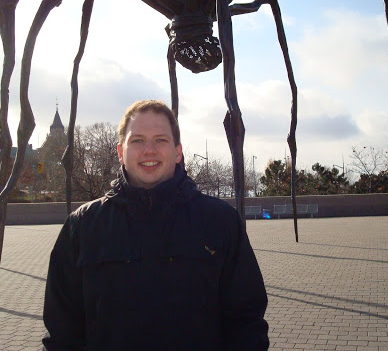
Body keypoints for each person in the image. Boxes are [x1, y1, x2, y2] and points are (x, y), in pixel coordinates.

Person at [42, 100, 269, 350]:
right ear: (120, 152)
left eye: (160, 140)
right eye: (137, 140)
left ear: (178, 151)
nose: (149, 150)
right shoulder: (83, 226)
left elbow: (246, 322)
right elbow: (62, 331)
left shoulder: (221, 222)